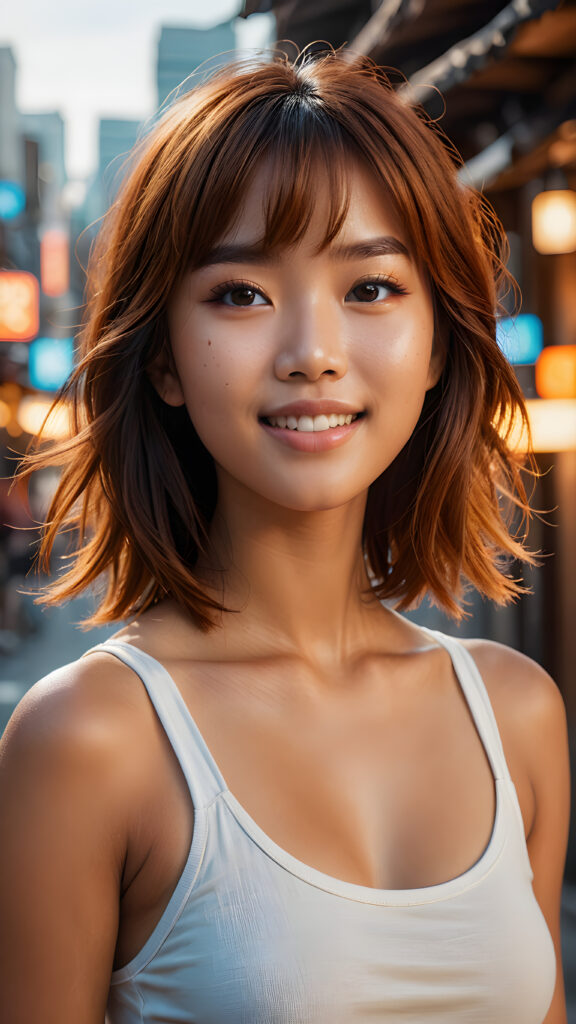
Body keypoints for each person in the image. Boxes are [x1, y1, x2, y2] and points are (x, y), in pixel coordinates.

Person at [0, 52, 570, 1024]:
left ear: (438, 341)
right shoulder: (88, 741)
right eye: (241, 294)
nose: (313, 352)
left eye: (373, 289)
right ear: (168, 359)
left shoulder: (518, 712)